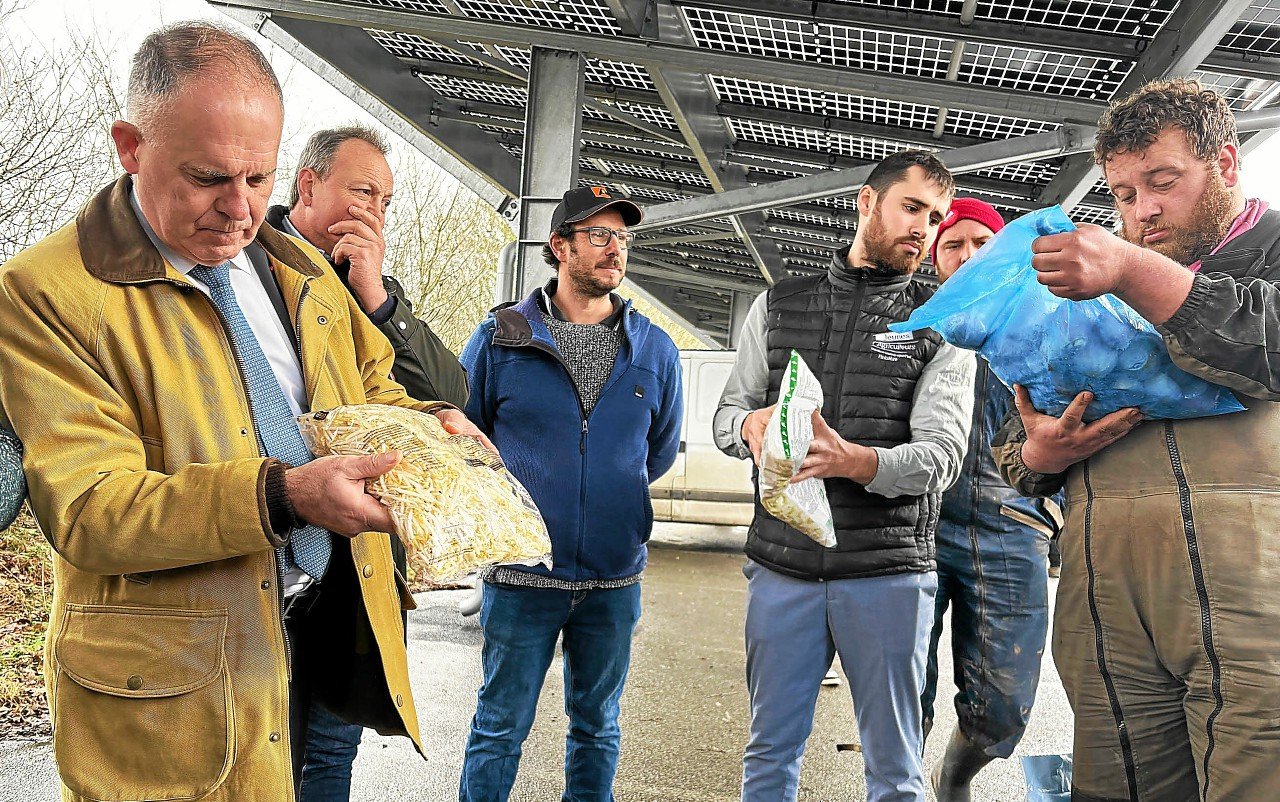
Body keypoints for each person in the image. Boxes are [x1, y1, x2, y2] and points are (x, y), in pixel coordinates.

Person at [0, 22, 487, 801]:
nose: (239, 210)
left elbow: (371, 386)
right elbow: (92, 510)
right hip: (175, 678)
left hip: (322, 626)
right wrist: (284, 496)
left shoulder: (292, 260)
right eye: (208, 178)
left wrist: (425, 427)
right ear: (129, 146)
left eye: (259, 178)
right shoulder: (46, 292)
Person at [993, 78, 1280, 801]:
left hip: (1257, 612)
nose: (1141, 210)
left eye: (1162, 181)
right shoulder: (1087, 293)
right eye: (1121, 194)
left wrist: (1134, 273)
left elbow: (1267, 339)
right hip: (1106, 611)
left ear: (1226, 164)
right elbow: (1011, 435)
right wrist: (1037, 454)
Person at [714, 150, 976, 802]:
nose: (925, 228)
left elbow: (941, 457)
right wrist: (752, 429)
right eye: (912, 207)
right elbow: (726, 416)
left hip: (887, 576)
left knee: (893, 771)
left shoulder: (942, 323)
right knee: (769, 755)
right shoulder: (778, 306)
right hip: (781, 568)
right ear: (867, 203)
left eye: (935, 217)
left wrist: (855, 461)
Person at [456, 186, 683, 801]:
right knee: (499, 728)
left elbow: (655, 452)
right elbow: (466, 437)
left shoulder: (655, 350)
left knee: (598, 728)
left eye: (623, 238)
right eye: (600, 236)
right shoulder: (499, 339)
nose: (616, 250)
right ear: (560, 247)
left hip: (613, 579)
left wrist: (614, 495)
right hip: (523, 576)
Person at [267, 124, 468, 801]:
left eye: (385, 200)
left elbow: (448, 391)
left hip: (356, 569)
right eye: (362, 191)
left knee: (330, 751)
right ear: (307, 184)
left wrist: (376, 297)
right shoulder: (245, 267)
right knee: (262, 758)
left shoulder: (368, 287)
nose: (374, 211)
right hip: (272, 550)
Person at [922, 198, 1063, 802]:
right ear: (935, 263)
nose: (968, 254)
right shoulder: (912, 329)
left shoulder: (1051, 329)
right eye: (953, 245)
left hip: (1011, 527)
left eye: (983, 242)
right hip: (916, 526)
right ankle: (900, 782)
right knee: (902, 690)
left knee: (1004, 704)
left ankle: (954, 773)